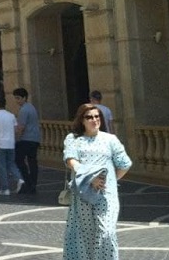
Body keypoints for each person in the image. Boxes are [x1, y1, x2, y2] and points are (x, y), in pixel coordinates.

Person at [63, 103, 132, 259]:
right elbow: (71, 161)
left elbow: (125, 164)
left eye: (97, 116)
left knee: (106, 233)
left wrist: (110, 181)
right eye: (89, 117)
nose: (94, 120)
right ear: (82, 120)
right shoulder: (73, 139)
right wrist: (90, 179)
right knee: (85, 236)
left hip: (106, 196)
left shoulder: (110, 139)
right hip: (82, 195)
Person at [0, 96, 23, 196]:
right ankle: (19, 178)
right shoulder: (11, 116)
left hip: (0, 144)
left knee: (2, 166)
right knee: (11, 164)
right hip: (10, 143)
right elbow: (16, 130)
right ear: (5, 104)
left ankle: (5, 188)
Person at [13, 87, 42, 194]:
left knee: (18, 159)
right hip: (35, 138)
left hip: (26, 139)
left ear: (24, 98)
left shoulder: (24, 110)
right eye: (15, 98)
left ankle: (27, 181)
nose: (17, 101)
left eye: (18, 98)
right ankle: (32, 183)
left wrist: (17, 139)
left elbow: (21, 127)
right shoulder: (31, 107)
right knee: (32, 161)